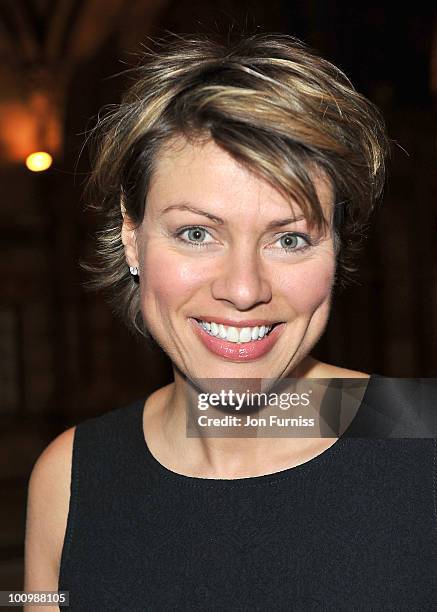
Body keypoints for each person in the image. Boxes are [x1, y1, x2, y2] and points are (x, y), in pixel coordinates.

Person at [23, 31, 437, 610]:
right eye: (196, 233)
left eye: (289, 239)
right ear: (132, 238)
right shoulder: (72, 476)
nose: (243, 290)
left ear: (339, 250)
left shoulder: (419, 437)